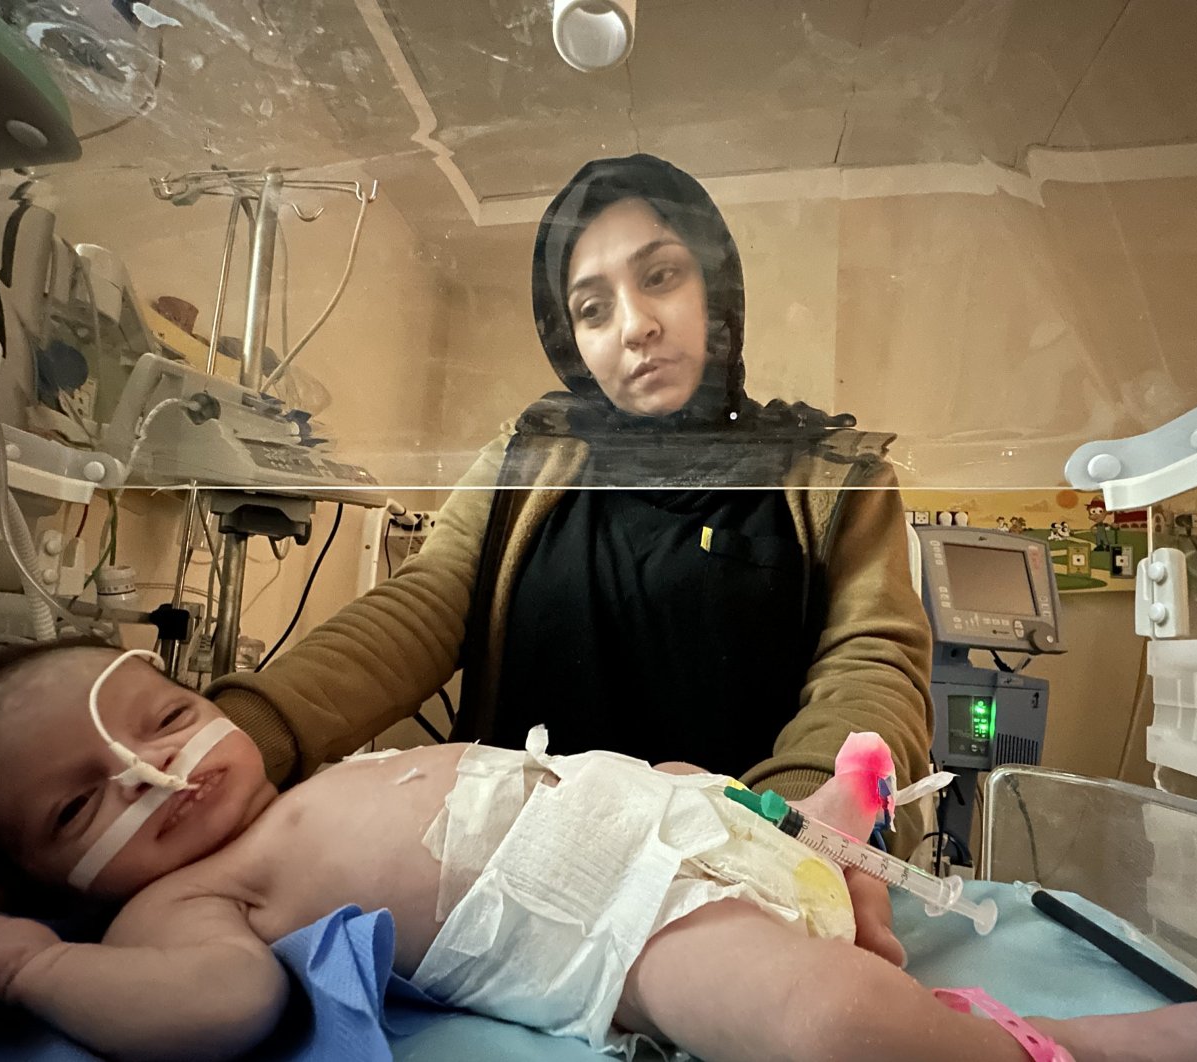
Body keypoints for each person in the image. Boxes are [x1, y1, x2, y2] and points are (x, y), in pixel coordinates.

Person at [0, 644, 1197, 1062]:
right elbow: (214, 1011)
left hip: (691, 823)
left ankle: (849, 836)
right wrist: (29, 969)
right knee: (821, 1024)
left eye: (169, 713)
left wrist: (717, 796)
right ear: (48, 878)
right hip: (636, 931)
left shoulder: (298, 780)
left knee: (779, 824)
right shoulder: (193, 901)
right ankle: (1071, 1041)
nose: (160, 771)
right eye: (82, 804)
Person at [207, 154, 933, 854]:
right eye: (592, 308)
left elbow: (871, 663)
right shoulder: (527, 463)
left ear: (715, 289)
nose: (635, 325)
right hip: (519, 874)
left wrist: (803, 820)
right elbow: (420, 607)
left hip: (738, 876)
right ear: (570, 341)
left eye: (661, 276)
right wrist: (247, 729)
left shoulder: (830, 480)